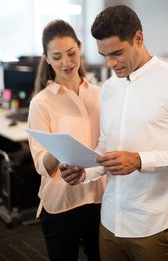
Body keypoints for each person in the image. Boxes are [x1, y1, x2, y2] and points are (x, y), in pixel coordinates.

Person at [60, 5, 168, 261]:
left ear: (138, 38)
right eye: (104, 55)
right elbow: (106, 146)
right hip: (110, 221)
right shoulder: (108, 88)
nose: (111, 63)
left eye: (117, 53)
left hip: (154, 225)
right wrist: (85, 171)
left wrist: (140, 160)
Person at [27, 19, 106, 261]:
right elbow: (41, 164)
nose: (66, 62)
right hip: (62, 203)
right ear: (47, 58)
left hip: (100, 198)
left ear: (80, 47)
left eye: (71, 53)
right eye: (57, 56)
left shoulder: (100, 95)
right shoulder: (41, 103)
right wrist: (58, 148)